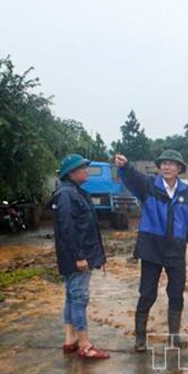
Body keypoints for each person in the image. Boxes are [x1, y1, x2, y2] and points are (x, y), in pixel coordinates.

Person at [114, 150, 188, 352]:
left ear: (179, 169)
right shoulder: (149, 186)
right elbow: (134, 178)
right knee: (147, 293)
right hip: (151, 248)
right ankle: (140, 339)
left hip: (175, 249)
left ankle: (174, 337)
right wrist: (125, 166)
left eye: (171, 164)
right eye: (163, 164)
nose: (166, 167)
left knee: (176, 294)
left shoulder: (184, 192)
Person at [52, 153, 110, 360]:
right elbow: (67, 229)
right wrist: (79, 257)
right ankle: (85, 345)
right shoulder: (67, 195)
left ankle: (70, 340)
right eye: (83, 168)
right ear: (72, 173)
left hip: (78, 255)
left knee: (71, 296)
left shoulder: (75, 192)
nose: (87, 171)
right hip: (77, 258)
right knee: (79, 298)